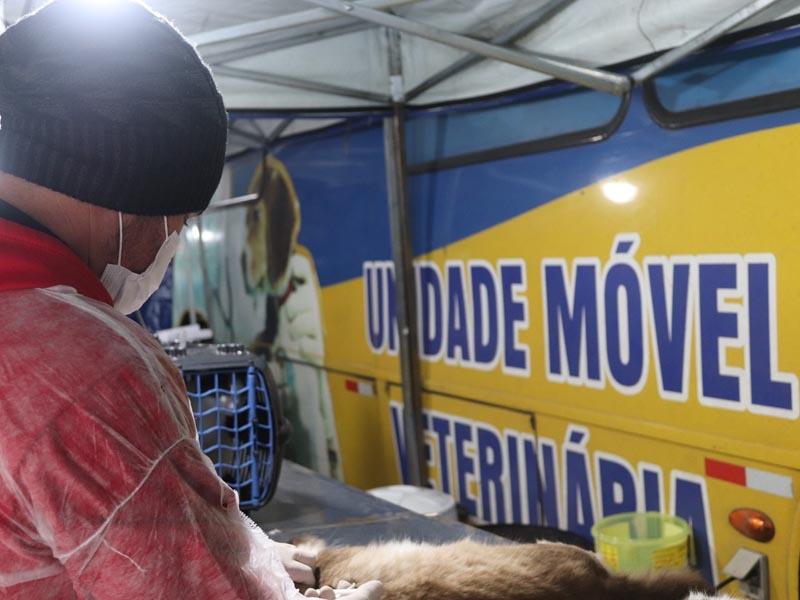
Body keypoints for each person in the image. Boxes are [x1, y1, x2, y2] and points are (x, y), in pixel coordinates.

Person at [0, 1, 383, 599]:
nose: (171, 242)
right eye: (178, 218)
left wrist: (231, 546)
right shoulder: (87, 368)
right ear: (127, 200)